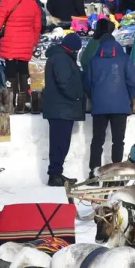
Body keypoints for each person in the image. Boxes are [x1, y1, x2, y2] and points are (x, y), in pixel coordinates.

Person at [83, 27, 133, 173]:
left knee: (97, 141)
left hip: (99, 107)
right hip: (120, 107)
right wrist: (127, 98)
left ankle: (94, 173)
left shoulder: (93, 60)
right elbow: (133, 80)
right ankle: (116, 173)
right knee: (118, 141)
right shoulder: (124, 58)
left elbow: (87, 83)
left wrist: (95, 98)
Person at [39, 34, 86, 186]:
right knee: (59, 144)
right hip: (61, 108)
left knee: (61, 143)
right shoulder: (61, 59)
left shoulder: (61, 57)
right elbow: (64, 82)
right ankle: (54, 175)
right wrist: (77, 96)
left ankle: (57, 173)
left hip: (62, 108)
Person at [0, 0, 42, 97]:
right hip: (26, 43)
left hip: (9, 43)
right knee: (23, 68)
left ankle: (10, 98)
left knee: (10, 69)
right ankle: (25, 98)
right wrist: (34, 41)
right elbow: (37, 26)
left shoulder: (5, 2)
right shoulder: (33, 3)